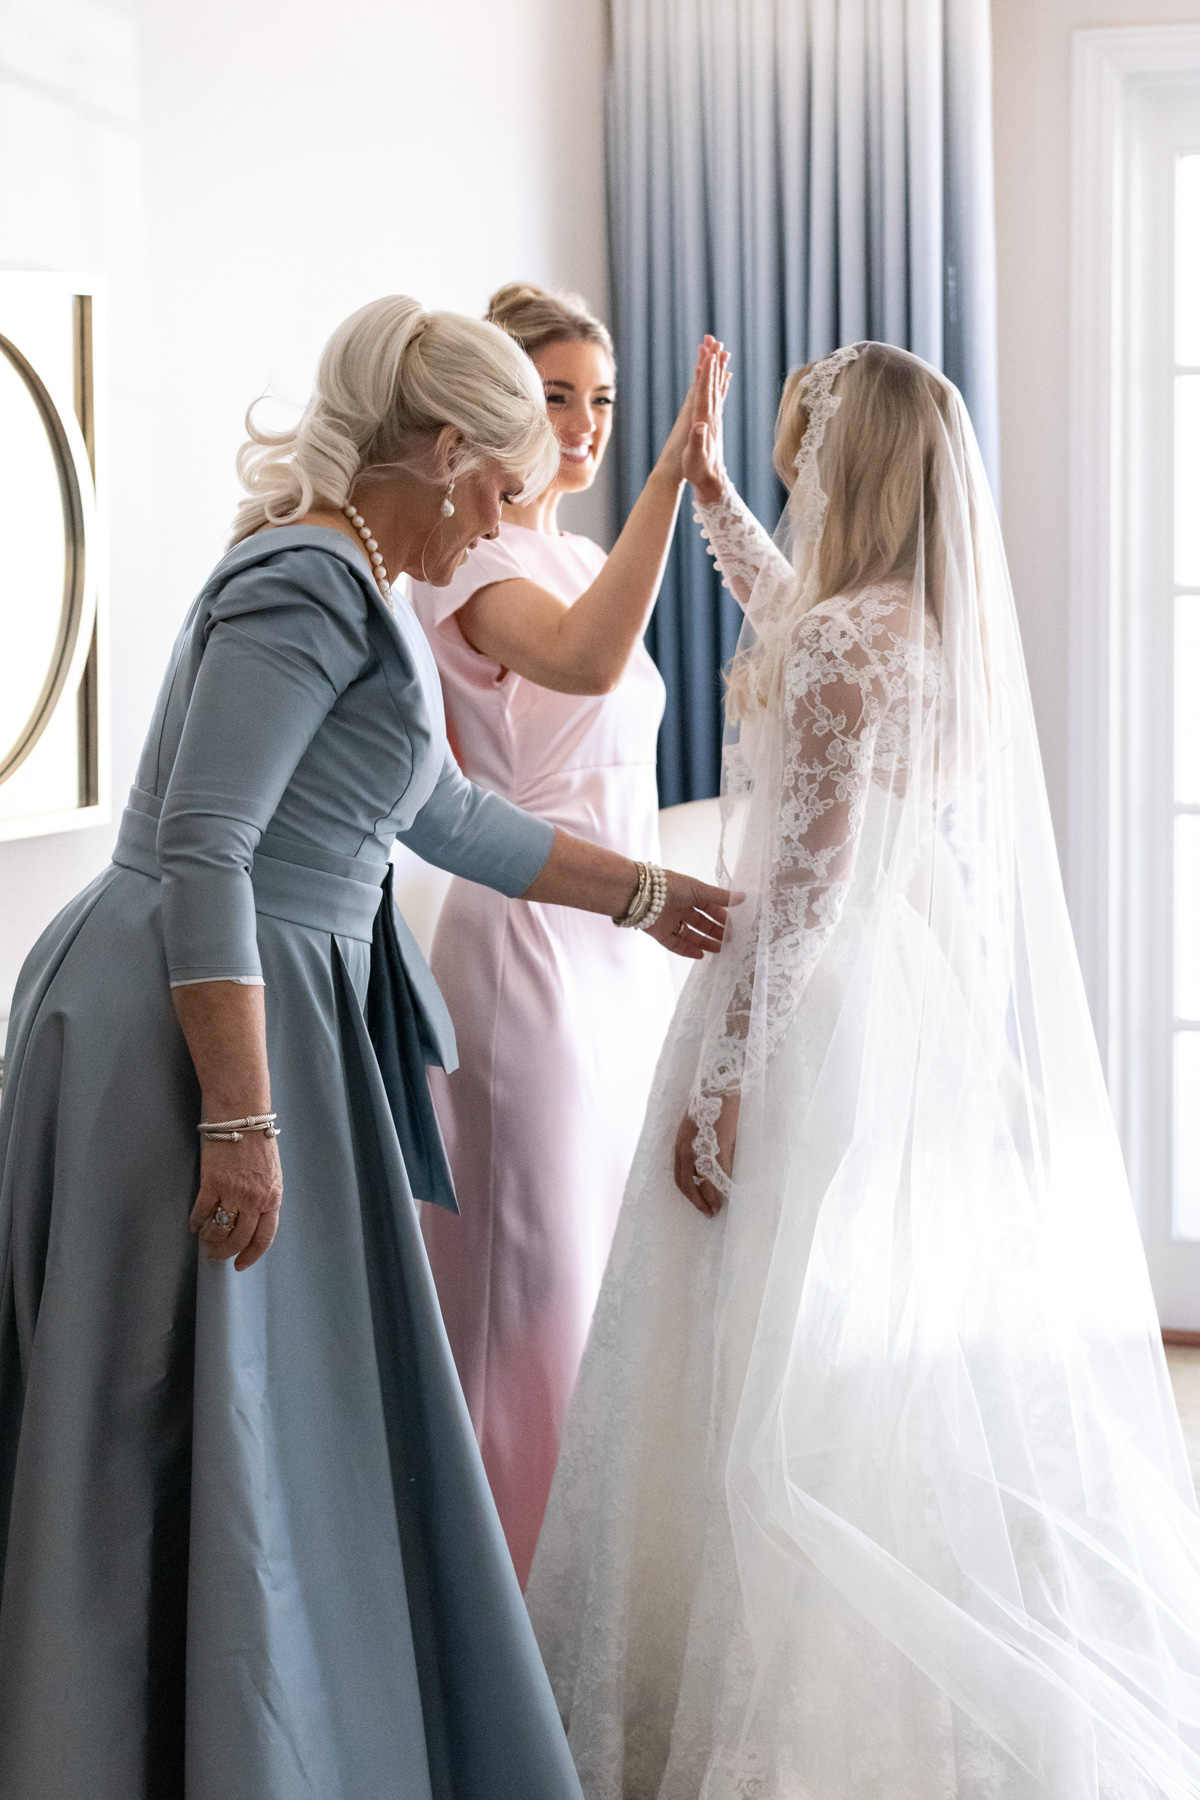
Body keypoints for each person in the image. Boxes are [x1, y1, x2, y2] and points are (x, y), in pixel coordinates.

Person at [0, 295, 730, 1800]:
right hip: (191, 1026)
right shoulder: (306, 585)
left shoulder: (368, 585)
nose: (510, 514)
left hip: (275, 1004)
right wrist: (239, 1116)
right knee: (164, 1402)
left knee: (258, 1403)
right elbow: (208, 848)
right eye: (505, 479)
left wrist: (647, 893)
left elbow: (441, 814)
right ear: (447, 450)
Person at [526, 342, 1200, 1799]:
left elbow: (805, 888)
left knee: (757, 1337)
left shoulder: (846, 640)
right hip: (902, 996)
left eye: (803, 454)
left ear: (852, 463)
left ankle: (741, 1675)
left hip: (806, 1002)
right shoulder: (923, 629)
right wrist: (709, 497)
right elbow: (792, 619)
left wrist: (726, 1078)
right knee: (859, 1328)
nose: (794, 474)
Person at [412, 285, 728, 1585]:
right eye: (555, 397)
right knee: (518, 1281)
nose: (584, 424)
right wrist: (669, 478)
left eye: (601, 399)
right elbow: (590, 667)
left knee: (590, 1271)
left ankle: (581, 1586)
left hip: (616, 948)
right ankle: (495, 1597)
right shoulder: (470, 563)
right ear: (495, 404)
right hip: (525, 942)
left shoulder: (588, 555)